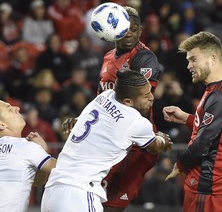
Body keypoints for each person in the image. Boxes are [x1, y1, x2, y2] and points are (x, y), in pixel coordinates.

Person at [63, 6, 163, 212]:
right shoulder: (109, 56)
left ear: (141, 30)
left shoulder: (144, 59)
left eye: (134, 29)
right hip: (110, 142)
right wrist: (83, 119)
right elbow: (101, 98)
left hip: (133, 145)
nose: (129, 33)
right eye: (125, 28)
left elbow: (141, 104)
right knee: (93, 202)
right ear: (114, 28)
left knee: (109, 206)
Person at [41, 69, 172, 212]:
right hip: (79, 194)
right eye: (146, 96)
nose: (152, 98)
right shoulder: (136, 121)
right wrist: (162, 139)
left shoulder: (105, 96)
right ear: (128, 101)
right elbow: (154, 147)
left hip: (52, 190)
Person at [163, 31, 222, 212]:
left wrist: (180, 164)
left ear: (213, 58)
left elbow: (202, 144)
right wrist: (186, 118)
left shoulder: (219, 97)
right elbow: (219, 131)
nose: (188, 66)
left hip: (209, 189)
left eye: (193, 59)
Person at [0, 100, 56, 212]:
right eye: (10, 110)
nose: (17, 108)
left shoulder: (26, 149)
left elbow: (37, 181)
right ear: (2, 125)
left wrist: (42, 153)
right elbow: (62, 168)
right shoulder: (25, 147)